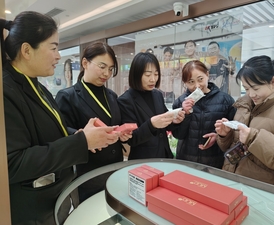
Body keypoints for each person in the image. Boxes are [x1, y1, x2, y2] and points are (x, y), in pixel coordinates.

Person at [1, 11, 119, 225]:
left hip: (56, 199)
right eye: (53, 47)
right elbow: (12, 163)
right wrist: (82, 142)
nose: (58, 56)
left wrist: (80, 134)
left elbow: (53, 133)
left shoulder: (38, 87)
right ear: (27, 50)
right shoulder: (7, 91)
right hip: (32, 211)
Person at [55, 41, 131, 202]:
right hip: (87, 172)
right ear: (85, 63)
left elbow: (116, 124)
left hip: (114, 168)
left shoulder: (111, 95)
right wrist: (79, 135)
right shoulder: (68, 96)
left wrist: (123, 133)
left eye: (110, 69)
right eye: (102, 67)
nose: (107, 73)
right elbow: (61, 131)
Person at [215, 55, 274, 192]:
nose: (251, 94)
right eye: (246, 88)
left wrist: (254, 138)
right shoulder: (244, 106)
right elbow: (234, 147)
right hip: (234, 182)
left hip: (265, 191)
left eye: (255, 88)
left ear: (273, 81)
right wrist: (226, 136)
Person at [117, 52, 185, 159]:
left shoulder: (157, 94)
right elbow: (132, 139)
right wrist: (151, 125)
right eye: (148, 75)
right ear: (136, 74)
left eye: (156, 74)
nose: (153, 79)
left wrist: (174, 121)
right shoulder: (125, 100)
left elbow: (164, 123)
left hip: (164, 155)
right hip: (143, 160)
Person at [172, 60, 236, 168]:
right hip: (186, 160)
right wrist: (185, 114)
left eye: (200, 79)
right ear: (185, 83)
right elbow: (178, 135)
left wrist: (218, 136)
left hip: (215, 161)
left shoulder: (226, 100)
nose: (197, 86)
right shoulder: (180, 102)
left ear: (207, 75)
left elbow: (234, 132)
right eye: (191, 82)